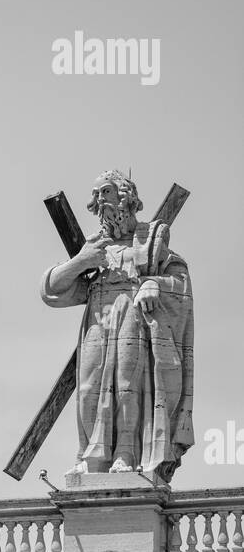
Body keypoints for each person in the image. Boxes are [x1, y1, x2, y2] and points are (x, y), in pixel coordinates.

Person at [41, 170, 193, 480]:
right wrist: (82, 261)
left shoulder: (152, 239)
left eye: (106, 191)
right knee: (88, 388)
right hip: (98, 314)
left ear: (126, 196)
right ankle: (90, 457)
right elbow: (51, 290)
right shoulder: (94, 246)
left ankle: (125, 452)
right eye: (96, 194)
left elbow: (181, 284)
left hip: (133, 312)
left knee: (127, 384)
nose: (99, 199)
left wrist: (153, 284)